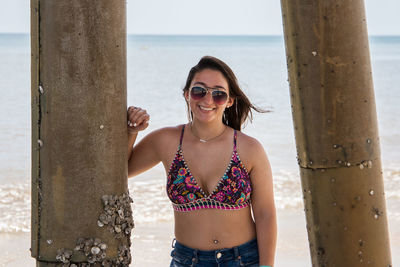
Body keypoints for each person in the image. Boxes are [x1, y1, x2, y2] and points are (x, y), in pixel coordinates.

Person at [127, 56, 277, 267]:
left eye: (218, 94)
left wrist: (266, 266)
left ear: (229, 101)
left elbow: (265, 214)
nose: (208, 100)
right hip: (187, 261)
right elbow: (122, 170)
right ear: (187, 94)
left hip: (244, 261)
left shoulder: (249, 148)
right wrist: (132, 131)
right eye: (200, 91)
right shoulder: (166, 141)